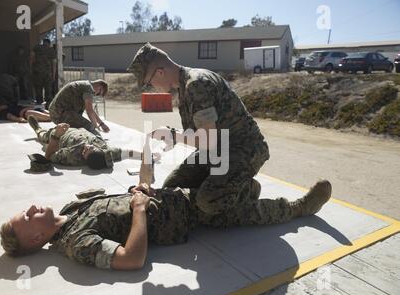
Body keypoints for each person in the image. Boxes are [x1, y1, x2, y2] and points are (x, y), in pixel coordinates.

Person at [0, 140, 332, 271]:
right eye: (26, 217)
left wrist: (139, 188)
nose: (30, 208)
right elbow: (131, 259)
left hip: (170, 193)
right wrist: (141, 209)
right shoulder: (76, 244)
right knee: (245, 213)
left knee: (205, 156)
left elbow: (116, 204)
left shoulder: (70, 210)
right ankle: (299, 208)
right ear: (34, 239)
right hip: (185, 216)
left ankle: (243, 191)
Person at [127, 43, 332, 226]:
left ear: (160, 72)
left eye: (148, 82)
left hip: (243, 149)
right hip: (218, 149)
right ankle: (241, 189)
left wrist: (173, 135)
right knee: (173, 189)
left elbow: (208, 138)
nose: (151, 88)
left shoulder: (196, 85)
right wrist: (175, 136)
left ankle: (296, 207)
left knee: (208, 202)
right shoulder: (184, 86)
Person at [27, 116, 156, 170]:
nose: (86, 147)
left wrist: (56, 136)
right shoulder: (106, 152)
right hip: (79, 129)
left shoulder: (72, 157)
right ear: (98, 150)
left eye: (85, 151)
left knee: (43, 137)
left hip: (61, 135)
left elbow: (49, 156)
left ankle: (37, 129)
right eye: (90, 148)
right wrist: (146, 156)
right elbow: (128, 153)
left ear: (83, 157)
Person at [31, 39, 56, 104]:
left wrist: (33, 67)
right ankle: (48, 106)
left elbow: (32, 58)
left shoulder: (37, 47)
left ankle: (39, 105)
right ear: (49, 43)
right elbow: (54, 63)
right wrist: (53, 75)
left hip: (37, 72)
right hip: (47, 74)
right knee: (48, 90)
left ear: (43, 42)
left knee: (38, 89)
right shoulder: (51, 50)